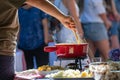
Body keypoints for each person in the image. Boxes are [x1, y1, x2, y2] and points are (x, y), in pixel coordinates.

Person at [0, 0, 76, 80]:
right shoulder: (22, 10)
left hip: (37, 43)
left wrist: (46, 40)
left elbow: (44, 23)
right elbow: (39, 1)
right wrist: (62, 17)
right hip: (5, 50)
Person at [18, 4, 49, 69]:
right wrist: (17, 43)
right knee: (28, 71)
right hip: (24, 45)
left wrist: (46, 42)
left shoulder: (39, 7)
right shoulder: (18, 10)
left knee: (43, 69)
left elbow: (45, 24)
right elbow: (18, 27)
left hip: (40, 44)